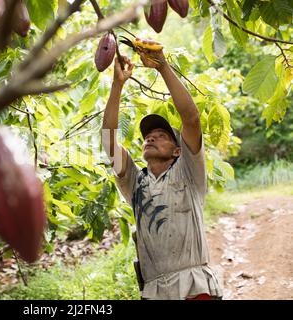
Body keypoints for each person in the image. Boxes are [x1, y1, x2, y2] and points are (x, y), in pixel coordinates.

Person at [101, 39, 223, 300]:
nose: (151, 138)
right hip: (156, 292)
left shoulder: (188, 172)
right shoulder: (135, 182)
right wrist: (117, 84)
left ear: (178, 151)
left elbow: (191, 119)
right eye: (148, 136)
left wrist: (162, 67)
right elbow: (108, 140)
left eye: (161, 135)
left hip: (194, 287)